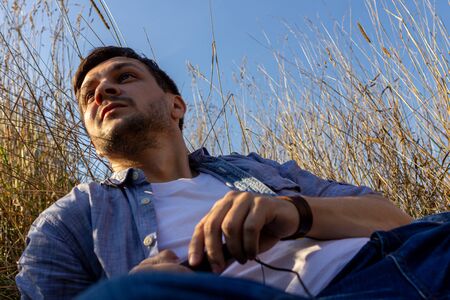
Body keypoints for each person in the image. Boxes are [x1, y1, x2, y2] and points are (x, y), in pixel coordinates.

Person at [15, 46, 449, 300]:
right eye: (90, 95)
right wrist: (141, 285)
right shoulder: (73, 215)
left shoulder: (255, 168)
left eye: (124, 77)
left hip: (396, 269)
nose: (104, 91)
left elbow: (391, 217)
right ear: (92, 133)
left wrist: (294, 211)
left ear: (176, 106)